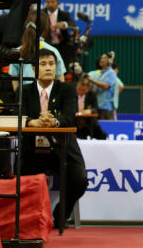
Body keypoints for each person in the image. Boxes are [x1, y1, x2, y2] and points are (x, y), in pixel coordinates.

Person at [20, 48, 88, 227]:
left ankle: (59, 216)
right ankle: (30, 220)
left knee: (79, 179)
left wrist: (54, 122)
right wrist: (32, 122)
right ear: (34, 69)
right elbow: (15, 114)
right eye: (43, 64)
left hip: (62, 146)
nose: (48, 68)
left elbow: (70, 116)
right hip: (32, 148)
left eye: (51, 64)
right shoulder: (25, 91)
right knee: (22, 180)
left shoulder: (66, 89)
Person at [10, 10, 66, 92]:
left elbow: (15, 85)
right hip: (47, 100)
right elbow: (60, 80)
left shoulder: (17, 52)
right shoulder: (53, 51)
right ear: (46, 29)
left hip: (25, 101)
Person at [43, 0, 76, 64]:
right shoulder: (41, 14)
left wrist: (64, 24)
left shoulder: (64, 14)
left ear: (57, 3)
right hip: (46, 44)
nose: (50, 4)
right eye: (48, 2)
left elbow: (72, 24)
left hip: (62, 45)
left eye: (52, 2)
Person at [75, 75, 108, 139]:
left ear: (88, 88)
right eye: (79, 89)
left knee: (102, 135)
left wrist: (91, 111)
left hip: (87, 121)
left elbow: (95, 109)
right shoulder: (71, 94)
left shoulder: (91, 95)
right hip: (73, 120)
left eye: (84, 90)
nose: (81, 91)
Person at [87, 52, 117, 120]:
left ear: (109, 61)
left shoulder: (111, 73)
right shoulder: (99, 73)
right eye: (101, 58)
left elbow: (106, 86)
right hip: (97, 106)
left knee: (105, 127)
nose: (101, 60)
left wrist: (93, 81)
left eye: (104, 58)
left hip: (105, 107)